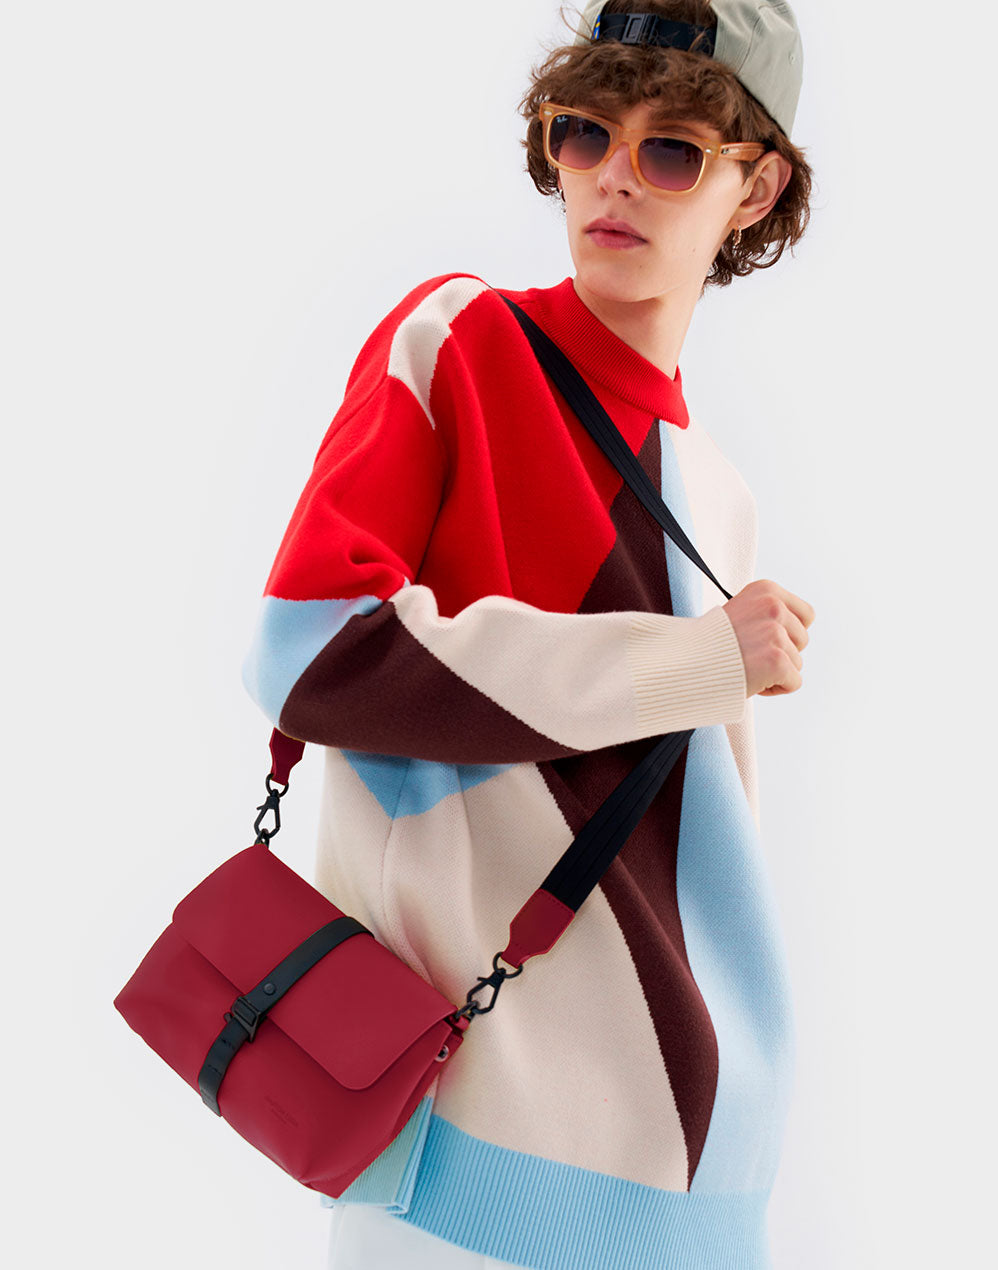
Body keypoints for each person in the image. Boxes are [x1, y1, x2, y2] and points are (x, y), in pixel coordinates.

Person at [242, 2, 817, 1266]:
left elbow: (700, 848)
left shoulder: (714, 493)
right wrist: (695, 661)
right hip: (456, 1147)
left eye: (672, 151)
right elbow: (309, 651)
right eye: (585, 132)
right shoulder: (463, 343)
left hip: (706, 1168)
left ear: (755, 187)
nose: (614, 174)